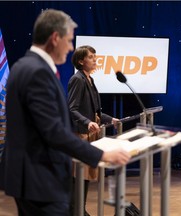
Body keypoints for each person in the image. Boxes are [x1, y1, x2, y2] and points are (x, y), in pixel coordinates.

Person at [0, 9, 130, 216]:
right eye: (69, 41)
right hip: (38, 177)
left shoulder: (26, 66)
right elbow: (54, 131)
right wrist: (102, 154)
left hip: (30, 175)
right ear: (55, 38)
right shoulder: (38, 72)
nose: (70, 48)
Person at [68, 45, 119, 216]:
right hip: (80, 133)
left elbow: (95, 111)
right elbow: (72, 108)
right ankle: (74, 210)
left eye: (95, 56)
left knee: (87, 173)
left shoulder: (89, 79)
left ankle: (79, 209)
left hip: (91, 133)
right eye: (91, 57)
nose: (95, 59)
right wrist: (87, 122)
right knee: (78, 174)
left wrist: (110, 119)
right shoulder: (77, 79)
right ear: (81, 61)